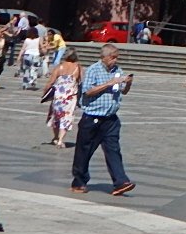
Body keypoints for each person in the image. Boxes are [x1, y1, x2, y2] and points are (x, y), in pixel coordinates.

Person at [71, 43, 135, 196]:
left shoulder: (117, 71)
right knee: (84, 151)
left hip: (110, 119)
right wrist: (108, 83)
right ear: (104, 57)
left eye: (116, 57)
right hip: (92, 118)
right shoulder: (93, 70)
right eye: (112, 57)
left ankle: (121, 182)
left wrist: (127, 84)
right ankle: (79, 181)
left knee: (114, 150)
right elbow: (88, 91)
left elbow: (122, 92)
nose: (115, 60)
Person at [42, 48, 81, 147]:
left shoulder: (60, 67)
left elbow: (50, 82)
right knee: (66, 117)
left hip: (58, 96)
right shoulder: (78, 68)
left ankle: (55, 137)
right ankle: (60, 139)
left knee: (56, 117)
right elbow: (82, 81)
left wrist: (45, 92)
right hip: (70, 97)